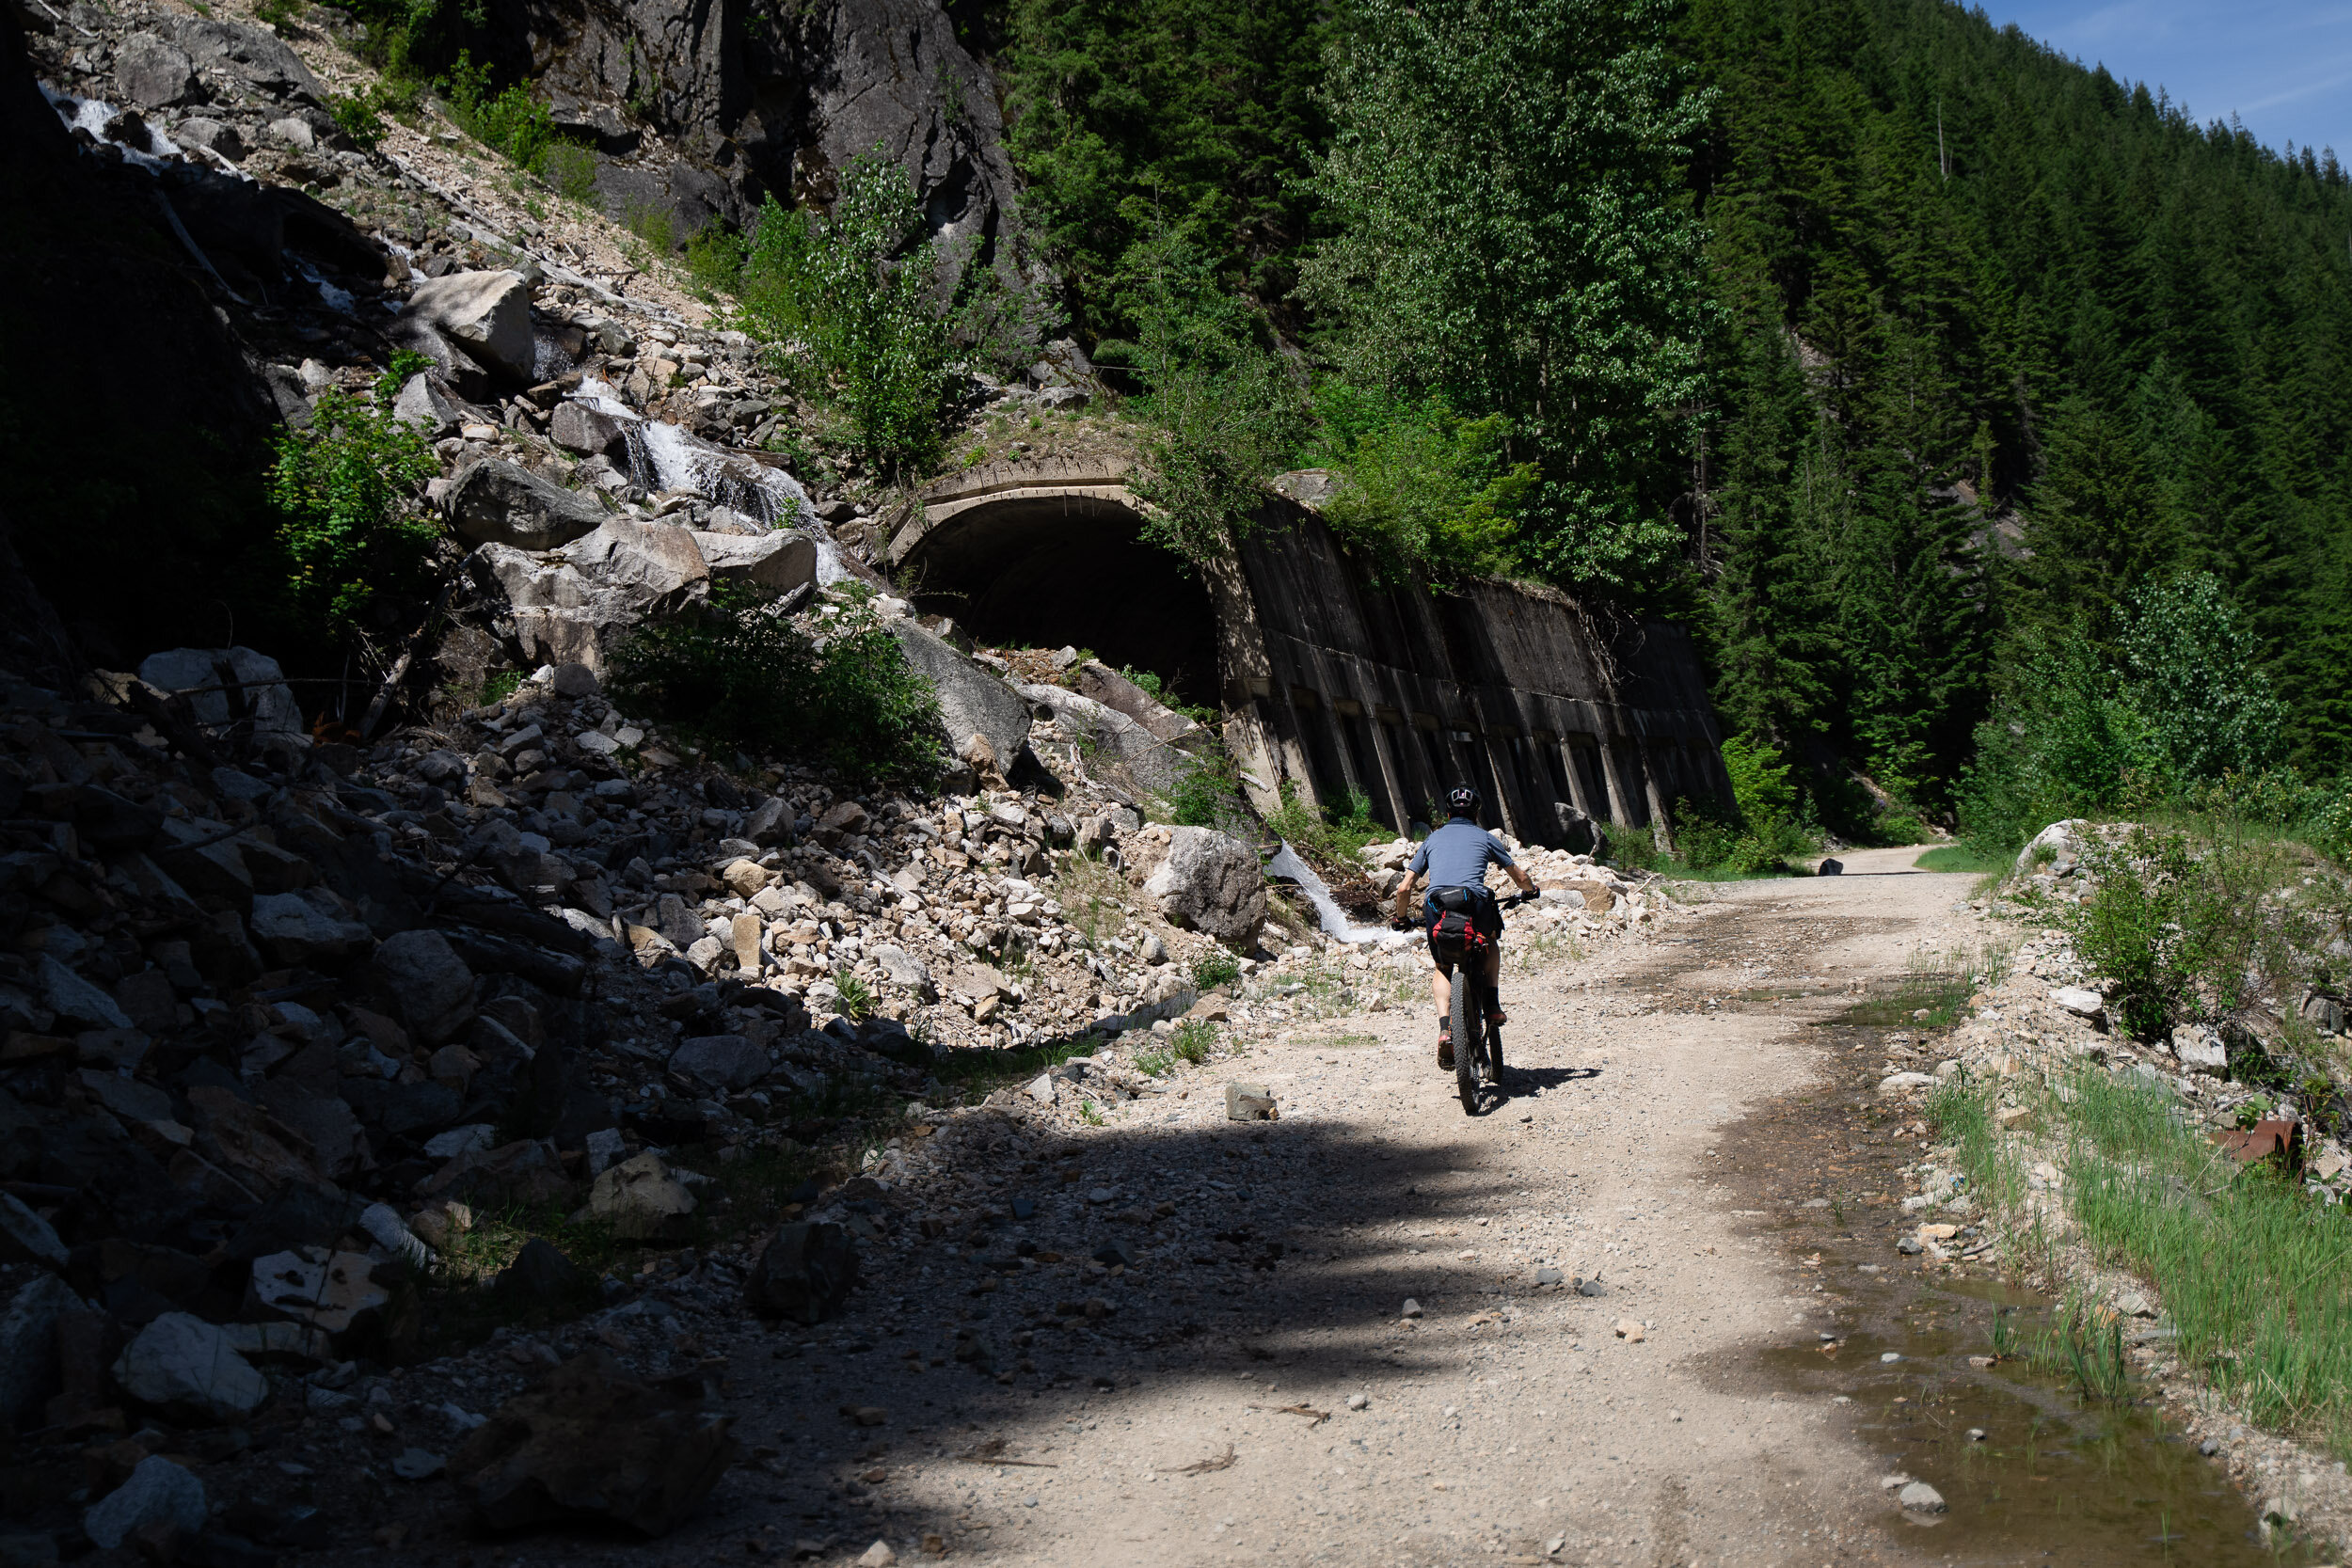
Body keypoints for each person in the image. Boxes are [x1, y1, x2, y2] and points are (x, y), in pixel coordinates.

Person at [1391, 784, 1535, 1068]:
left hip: (1438, 907)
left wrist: (1400, 918)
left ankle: (1446, 1028)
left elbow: (1404, 888)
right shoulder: (1484, 837)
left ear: (1446, 814)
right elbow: (1519, 876)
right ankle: (1491, 1005)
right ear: (1476, 814)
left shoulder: (1432, 840)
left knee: (1443, 966)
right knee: (1490, 940)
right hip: (1475, 904)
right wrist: (1530, 891)